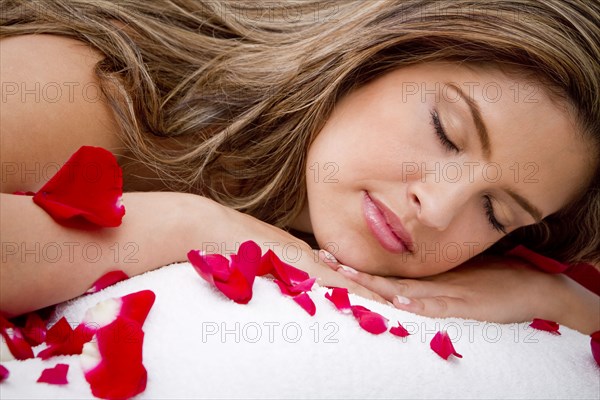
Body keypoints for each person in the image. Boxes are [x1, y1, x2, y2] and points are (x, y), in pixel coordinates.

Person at [1, 0, 598, 334]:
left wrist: (550, 294)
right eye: (446, 132)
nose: (439, 210)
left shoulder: (437, 249)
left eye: (494, 213)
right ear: (371, 57)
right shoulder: (95, 88)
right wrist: (187, 227)